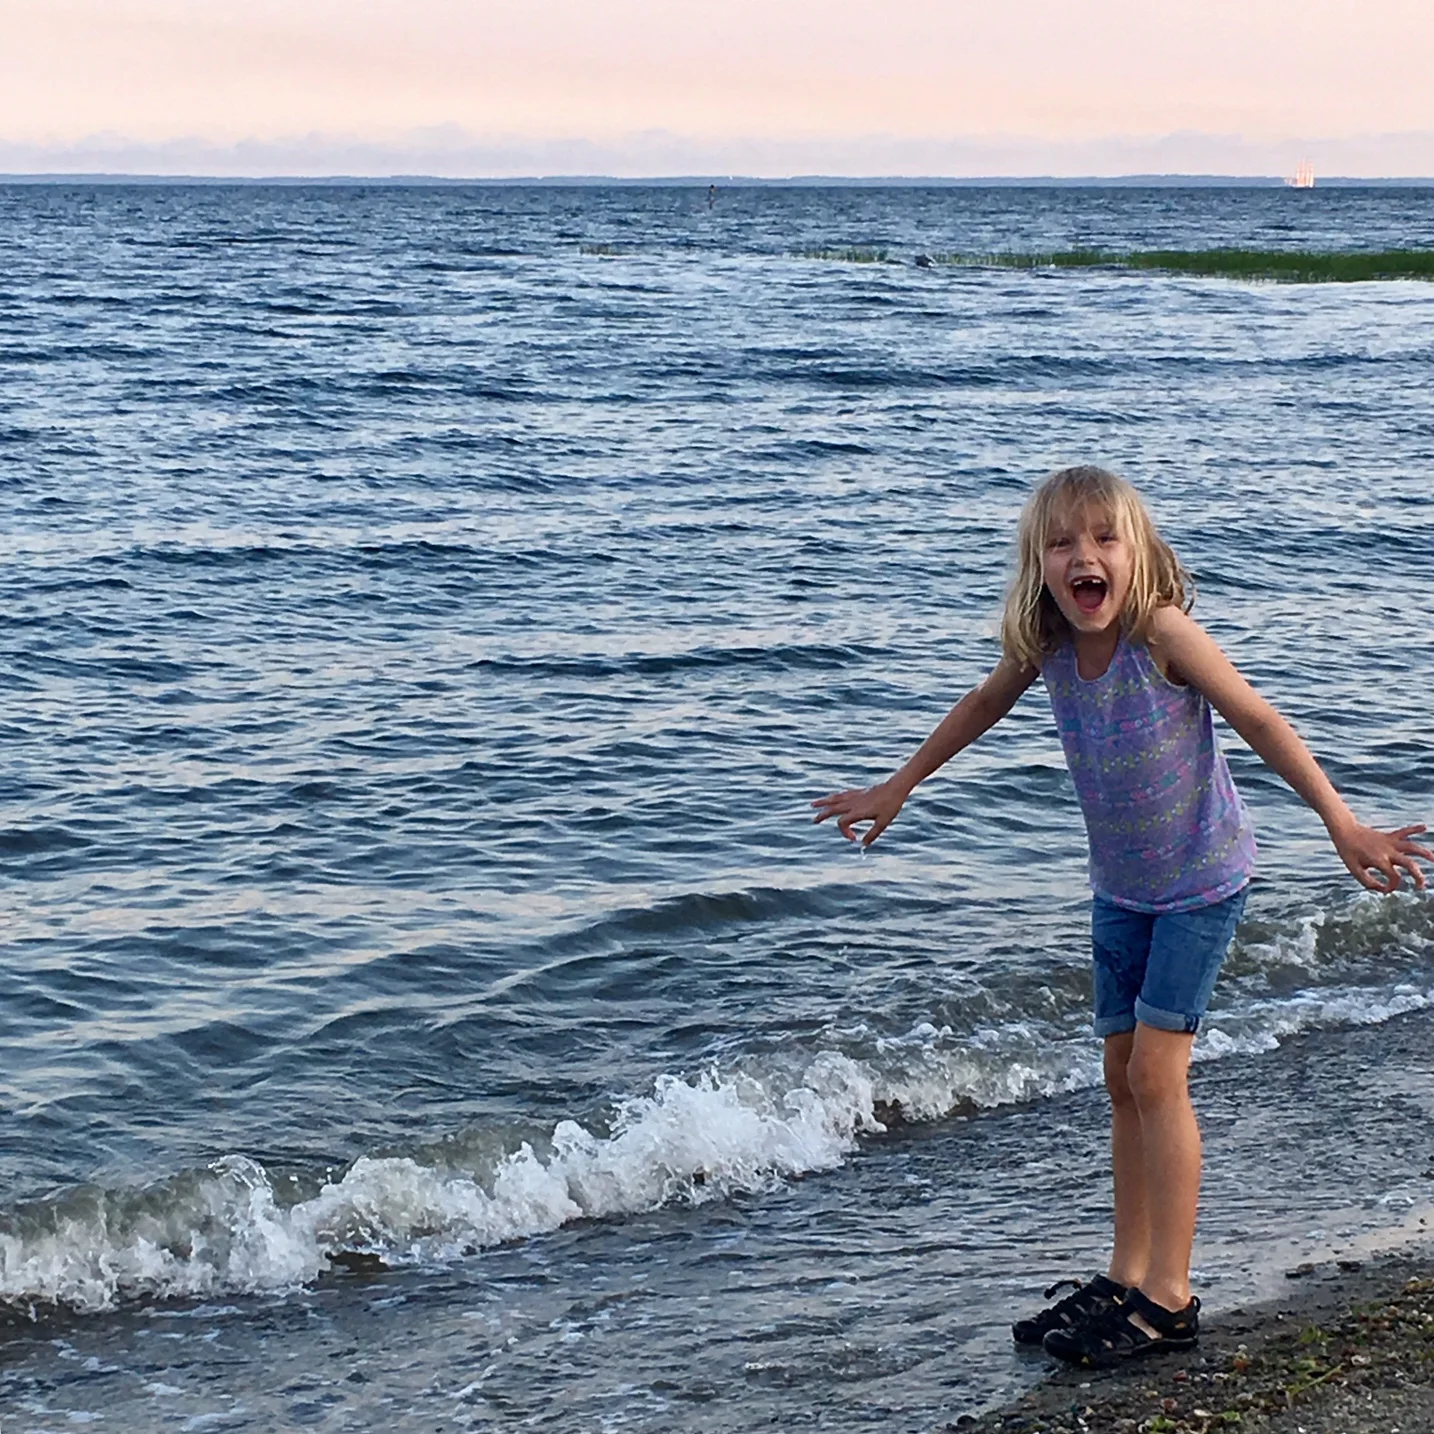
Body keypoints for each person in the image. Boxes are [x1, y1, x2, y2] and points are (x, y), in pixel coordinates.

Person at [812, 464, 1430, 1368]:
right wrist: (898, 784)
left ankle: (1169, 1297)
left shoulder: (1162, 635)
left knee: (1155, 1074)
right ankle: (1126, 1272)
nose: (1084, 557)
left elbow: (1258, 719)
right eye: (1062, 543)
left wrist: (1343, 824)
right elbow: (983, 704)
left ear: (1138, 554)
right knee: (1119, 1075)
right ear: (1039, 564)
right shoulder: (1048, 643)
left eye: (1104, 539)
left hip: (1202, 880)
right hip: (1122, 889)